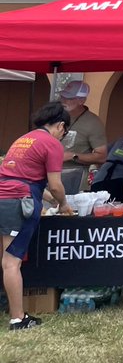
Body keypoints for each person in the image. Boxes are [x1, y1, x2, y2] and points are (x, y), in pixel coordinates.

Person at [0, 102, 75, 330]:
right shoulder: (52, 144)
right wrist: (62, 203)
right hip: (17, 203)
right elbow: (56, 184)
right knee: (11, 262)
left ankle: (10, 308)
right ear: (61, 126)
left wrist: (49, 198)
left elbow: (22, 176)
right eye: (65, 132)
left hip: (4, 196)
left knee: (3, 260)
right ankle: (18, 318)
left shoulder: (24, 139)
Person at [57, 81, 107, 193]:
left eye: (69, 98)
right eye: (63, 96)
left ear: (81, 100)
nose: (64, 100)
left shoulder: (93, 123)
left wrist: (72, 156)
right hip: (48, 174)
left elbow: (102, 157)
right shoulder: (55, 116)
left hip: (74, 177)